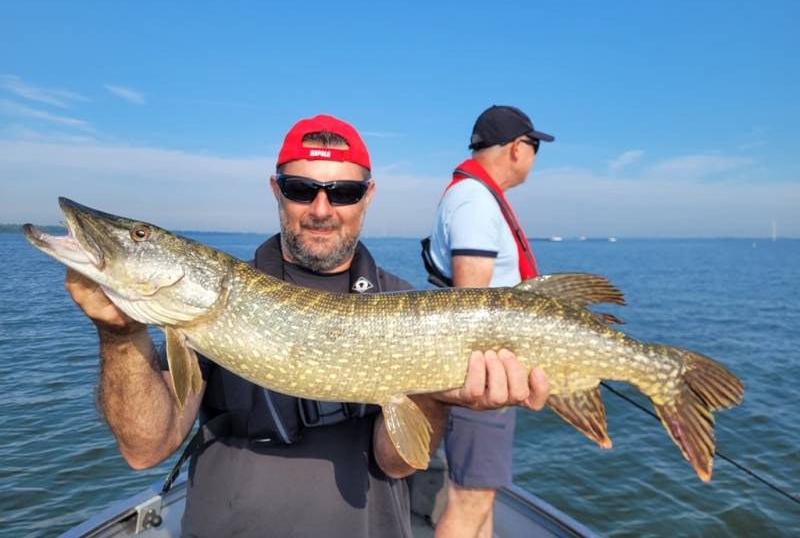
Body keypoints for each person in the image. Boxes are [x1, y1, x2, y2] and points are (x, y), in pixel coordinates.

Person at [64, 113, 551, 538]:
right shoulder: (205, 307)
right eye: (301, 189)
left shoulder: (403, 300)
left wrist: (437, 393)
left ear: (368, 196)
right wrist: (121, 334)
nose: (321, 209)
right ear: (277, 190)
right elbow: (145, 449)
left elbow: (398, 461)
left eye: (343, 192)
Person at [424, 105, 554, 538]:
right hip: (482, 371)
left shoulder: (471, 196)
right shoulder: (475, 201)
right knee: (470, 500)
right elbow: (471, 307)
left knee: (482, 495)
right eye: (535, 147)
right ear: (518, 148)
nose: (534, 157)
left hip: (490, 366)